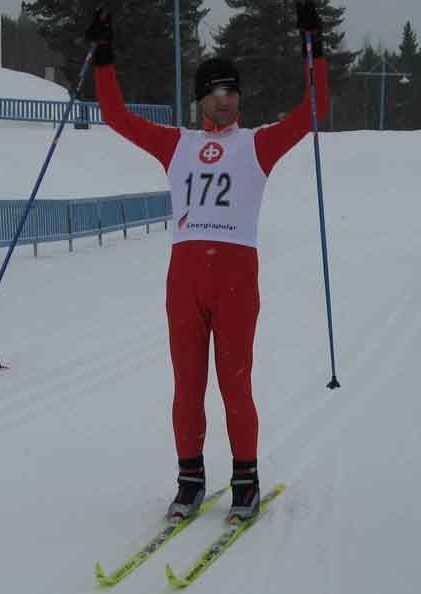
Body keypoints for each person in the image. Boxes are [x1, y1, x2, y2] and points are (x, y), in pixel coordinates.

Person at [85, 1, 329, 522]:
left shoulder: (257, 144)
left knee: (235, 382)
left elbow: (314, 109)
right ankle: (190, 478)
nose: (227, 98)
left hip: (236, 276)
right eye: (217, 90)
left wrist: (316, 46)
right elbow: (115, 116)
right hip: (186, 278)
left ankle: (245, 478)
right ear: (201, 99)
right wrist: (103, 56)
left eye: (233, 90)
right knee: (187, 384)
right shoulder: (178, 144)